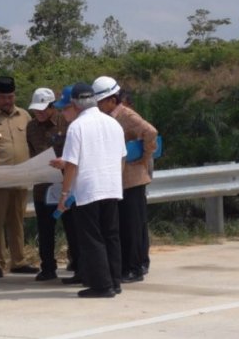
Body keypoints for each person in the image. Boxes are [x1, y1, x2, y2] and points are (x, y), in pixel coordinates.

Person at [53, 82, 126, 298]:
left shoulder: (77, 127)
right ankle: (114, 281)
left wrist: (64, 195)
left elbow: (72, 164)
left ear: (75, 104)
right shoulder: (112, 123)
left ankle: (101, 285)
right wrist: (114, 180)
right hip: (111, 188)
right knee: (111, 236)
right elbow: (122, 157)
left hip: (88, 190)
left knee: (92, 238)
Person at [93, 76, 158, 282]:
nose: (98, 105)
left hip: (133, 178)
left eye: (101, 101)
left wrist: (145, 157)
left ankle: (135, 267)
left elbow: (150, 132)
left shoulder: (126, 115)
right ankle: (128, 264)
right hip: (120, 179)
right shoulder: (109, 117)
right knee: (125, 224)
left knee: (132, 225)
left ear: (112, 100)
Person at [0, 76, 39, 278]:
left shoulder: (24, 115)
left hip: (21, 176)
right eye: (4, 97)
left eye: (11, 96)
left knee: (17, 220)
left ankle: (18, 260)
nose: (8, 100)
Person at [26, 87, 79, 282]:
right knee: (45, 229)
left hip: (66, 183)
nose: (38, 113)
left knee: (72, 227)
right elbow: (32, 153)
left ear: (52, 107)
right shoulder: (30, 127)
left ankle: (77, 263)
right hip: (43, 185)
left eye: (42, 109)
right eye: (35, 110)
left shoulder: (66, 122)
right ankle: (48, 267)